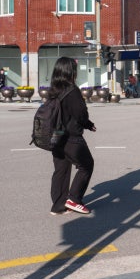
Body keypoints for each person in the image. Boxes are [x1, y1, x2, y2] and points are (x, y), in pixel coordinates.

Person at [47, 57, 97, 215]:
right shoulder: (72, 90)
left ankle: (58, 205)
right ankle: (74, 199)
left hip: (56, 135)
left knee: (61, 170)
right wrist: (88, 123)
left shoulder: (53, 90)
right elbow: (80, 115)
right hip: (71, 137)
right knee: (86, 165)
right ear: (70, 72)